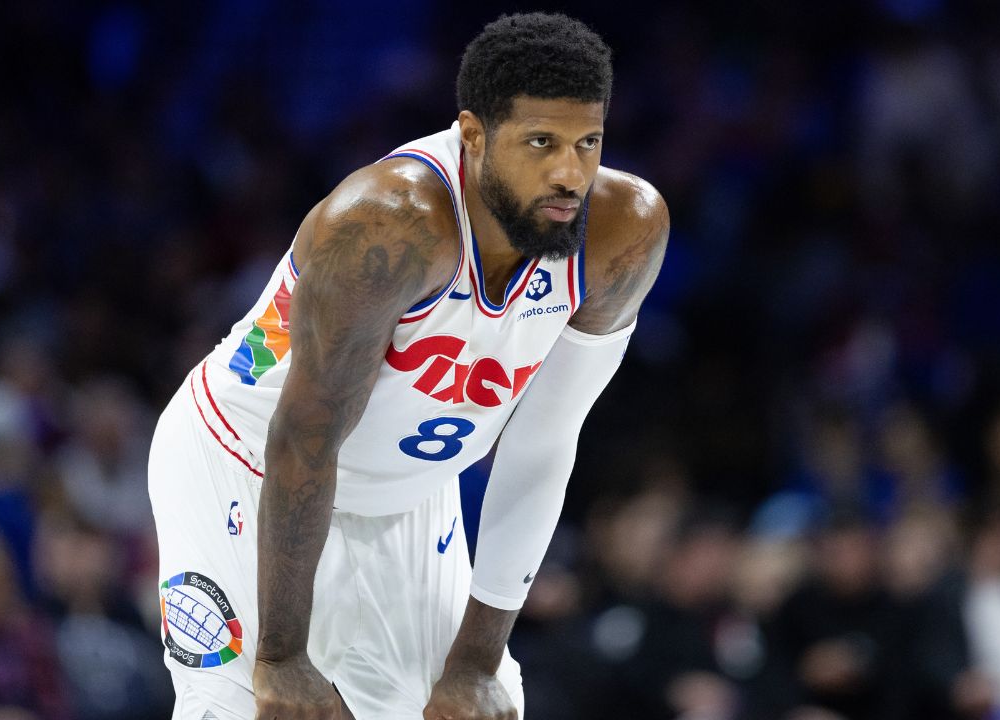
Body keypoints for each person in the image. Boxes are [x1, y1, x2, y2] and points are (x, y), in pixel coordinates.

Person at [148, 12, 668, 720]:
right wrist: (280, 657)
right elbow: (306, 438)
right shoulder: (386, 223)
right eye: (540, 143)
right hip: (248, 458)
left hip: (408, 491)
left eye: (587, 142)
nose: (568, 173)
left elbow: (545, 442)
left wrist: (477, 661)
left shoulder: (622, 232)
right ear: (474, 135)